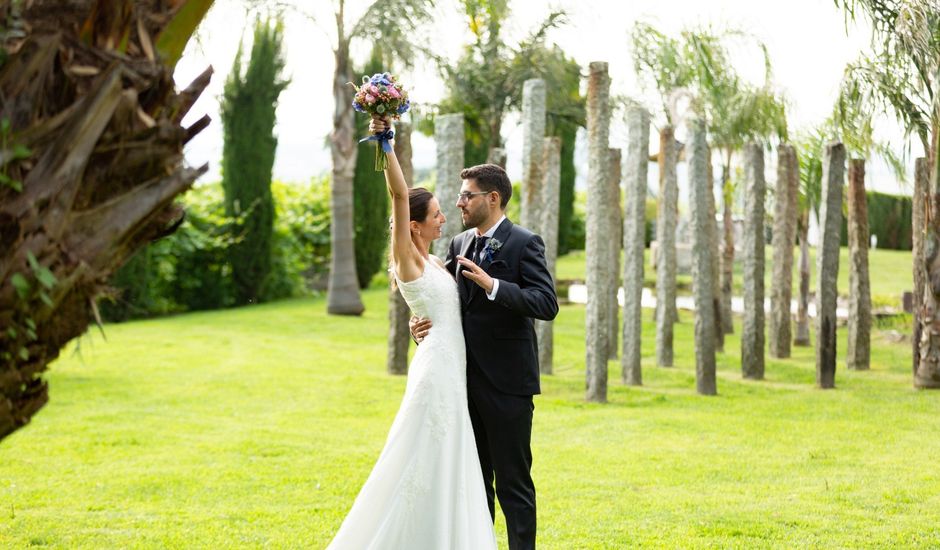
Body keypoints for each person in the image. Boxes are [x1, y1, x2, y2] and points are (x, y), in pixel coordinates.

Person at [326, 116, 497, 549]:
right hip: (435, 370)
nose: (444, 219)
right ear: (414, 225)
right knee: (420, 455)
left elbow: (444, 308)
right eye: (437, 214)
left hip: (451, 367)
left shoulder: (438, 263)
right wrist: (387, 142)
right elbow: (400, 194)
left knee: (449, 457)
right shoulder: (409, 259)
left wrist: (415, 322)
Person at [411, 153, 559, 550]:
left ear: (492, 198)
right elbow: (445, 298)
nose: (458, 203)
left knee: (514, 483)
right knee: (475, 483)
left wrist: (495, 287)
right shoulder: (458, 242)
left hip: (508, 385)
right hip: (461, 382)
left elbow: (546, 303)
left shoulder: (525, 242)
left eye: (466, 196)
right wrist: (418, 322)